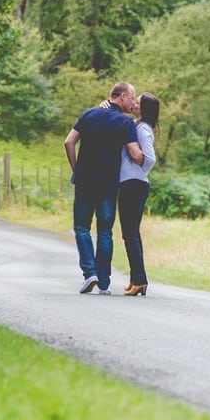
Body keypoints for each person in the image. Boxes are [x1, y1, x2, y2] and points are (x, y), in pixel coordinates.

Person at [64, 82, 144, 295]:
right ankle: (104, 283)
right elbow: (135, 154)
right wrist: (148, 156)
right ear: (123, 96)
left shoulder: (88, 115)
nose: (134, 102)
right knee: (105, 232)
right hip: (108, 183)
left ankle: (89, 272)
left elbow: (69, 142)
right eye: (132, 98)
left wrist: (76, 169)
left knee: (82, 227)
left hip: (84, 181)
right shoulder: (124, 123)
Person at [118, 93, 160, 296]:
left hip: (134, 184)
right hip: (132, 183)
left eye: (138, 101)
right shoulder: (136, 124)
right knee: (131, 233)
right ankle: (137, 278)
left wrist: (138, 171)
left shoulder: (142, 128)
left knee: (130, 233)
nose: (133, 103)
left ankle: (140, 280)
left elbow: (150, 158)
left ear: (144, 108)